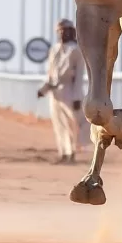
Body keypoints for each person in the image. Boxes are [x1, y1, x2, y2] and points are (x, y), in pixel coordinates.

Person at [36, 19, 87, 164]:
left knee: (72, 124)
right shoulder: (54, 49)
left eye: (66, 30)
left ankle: (72, 153)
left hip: (69, 91)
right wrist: (44, 89)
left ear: (72, 31)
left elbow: (79, 76)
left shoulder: (76, 50)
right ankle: (63, 152)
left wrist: (77, 97)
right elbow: (51, 73)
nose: (63, 33)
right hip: (55, 93)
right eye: (60, 30)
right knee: (59, 124)